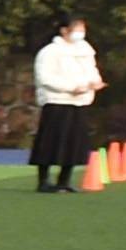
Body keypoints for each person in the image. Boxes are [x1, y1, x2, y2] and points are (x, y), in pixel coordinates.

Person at [29, 13, 104, 192]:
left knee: (74, 142)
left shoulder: (85, 50)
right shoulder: (50, 52)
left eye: (82, 30)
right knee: (51, 140)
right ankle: (43, 180)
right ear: (64, 31)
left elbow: (92, 70)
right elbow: (45, 78)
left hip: (80, 101)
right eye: (76, 29)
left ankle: (65, 180)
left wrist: (94, 82)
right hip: (57, 101)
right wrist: (71, 87)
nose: (80, 33)